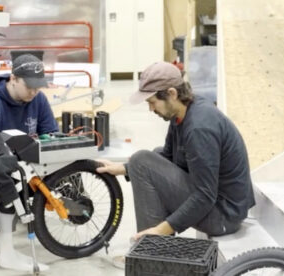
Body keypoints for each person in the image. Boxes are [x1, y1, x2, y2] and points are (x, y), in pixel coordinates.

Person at [96, 61, 255, 255]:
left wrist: (162, 229)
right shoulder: (182, 113)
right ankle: (155, 250)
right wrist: (124, 168)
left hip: (223, 216)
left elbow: (205, 195)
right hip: (219, 206)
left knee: (142, 161)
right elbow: (168, 156)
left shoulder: (199, 128)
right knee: (150, 156)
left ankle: (153, 251)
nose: (151, 109)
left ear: (171, 93)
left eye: (152, 102)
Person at [0, 54, 58, 272]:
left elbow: (50, 132)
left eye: (38, 87)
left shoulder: (38, 99)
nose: (34, 92)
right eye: (29, 86)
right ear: (14, 79)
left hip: (28, 161)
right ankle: (7, 252)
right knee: (9, 173)